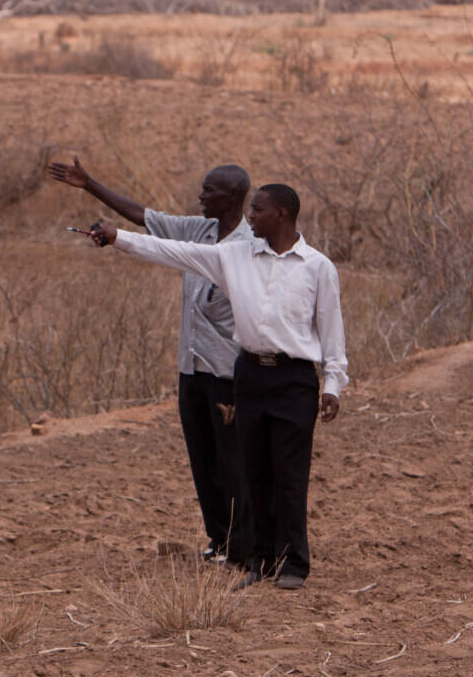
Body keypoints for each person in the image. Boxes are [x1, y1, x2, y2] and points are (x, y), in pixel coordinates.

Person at [86, 183, 346, 590]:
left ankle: (294, 564)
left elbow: (331, 329)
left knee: (289, 473)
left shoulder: (317, 266)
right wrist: (119, 237)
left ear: (282, 215)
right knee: (254, 471)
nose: (250, 216)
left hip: (294, 379)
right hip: (249, 375)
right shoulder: (234, 256)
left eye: (258, 210)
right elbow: (174, 252)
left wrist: (332, 383)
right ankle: (262, 562)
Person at [48, 156, 255, 568]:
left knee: (233, 462)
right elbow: (146, 218)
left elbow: (155, 245)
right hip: (190, 368)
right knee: (203, 459)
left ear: (233, 196)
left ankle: (243, 547)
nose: (200, 196)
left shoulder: (246, 248)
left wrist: (118, 239)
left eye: (209, 190)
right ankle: (218, 540)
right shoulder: (201, 229)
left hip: (226, 372)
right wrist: (90, 184)